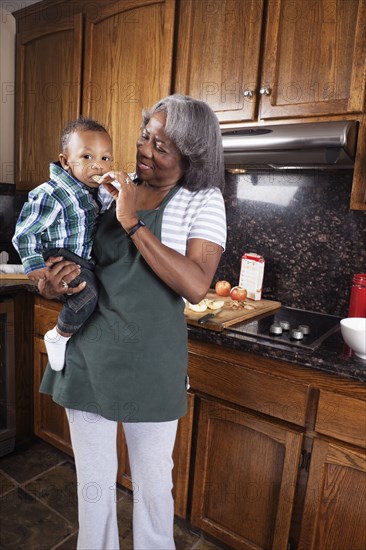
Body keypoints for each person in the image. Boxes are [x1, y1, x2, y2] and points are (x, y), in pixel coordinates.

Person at [38, 94, 227, 549]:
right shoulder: (105, 187)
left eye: (161, 147)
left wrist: (131, 222)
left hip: (153, 366)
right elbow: (71, 260)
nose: (144, 150)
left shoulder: (203, 200)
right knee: (95, 486)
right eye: (146, 136)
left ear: (190, 157)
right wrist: (50, 283)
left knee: (154, 487)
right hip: (91, 357)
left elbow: (197, 284)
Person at [12, 116, 115, 371]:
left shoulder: (93, 192)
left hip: (80, 257)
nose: (98, 166)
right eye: (87, 157)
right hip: (61, 255)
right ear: (65, 162)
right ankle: (59, 336)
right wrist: (33, 263)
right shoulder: (53, 193)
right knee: (88, 292)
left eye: (105, 158)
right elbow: (25, 232)